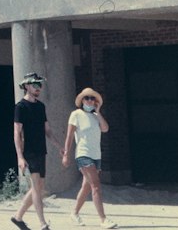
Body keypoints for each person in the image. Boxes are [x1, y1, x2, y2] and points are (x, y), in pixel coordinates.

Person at [11, 73, 63, 230]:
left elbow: (47, 130)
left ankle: (18, 217)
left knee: (39, 186)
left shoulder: (41, 107)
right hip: (29, 151)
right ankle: (43, 223)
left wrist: (59, 146)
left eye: (40, 85)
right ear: (26, 86)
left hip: (41, 150)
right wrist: (20, 157)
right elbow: (17, 133)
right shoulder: (20, 107)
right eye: (35, 85)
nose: (38, 88)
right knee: (36, 187)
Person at [61, 88, 117, 228]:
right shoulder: (76, 114)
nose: (90, 100)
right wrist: (66, 154)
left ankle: (74, 213)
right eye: (87, 98)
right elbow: (69, 136)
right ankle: (103, 219)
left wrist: (98, 112)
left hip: (96, 155)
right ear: (82, 100)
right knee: (96, 186)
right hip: (83, 154)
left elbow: (105, 128)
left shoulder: (95, 116)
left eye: (92, 98)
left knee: (86, 187)